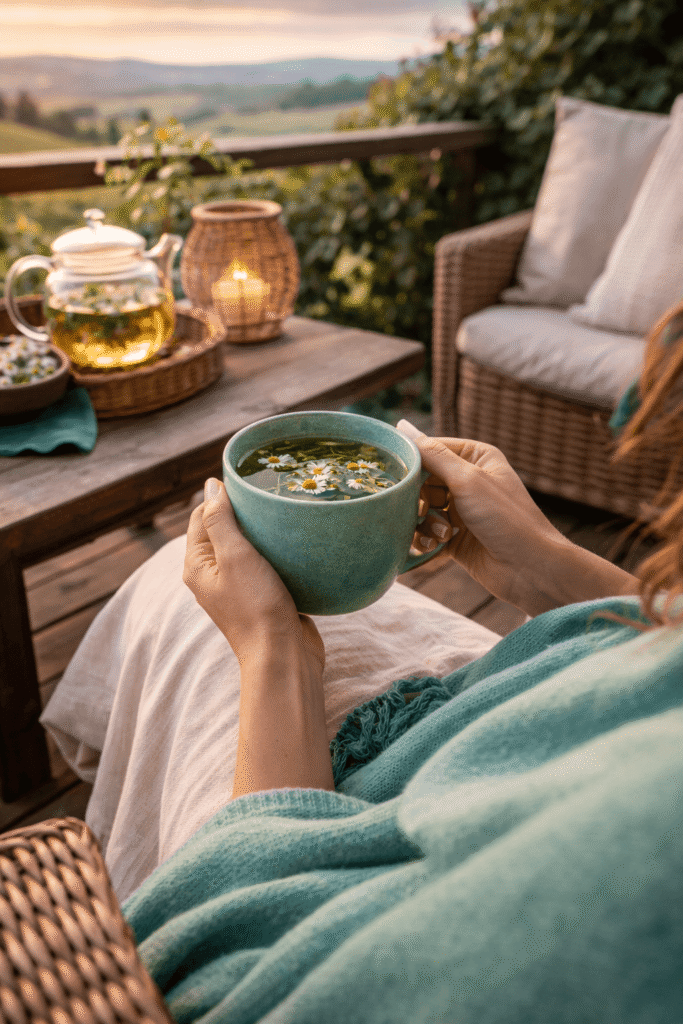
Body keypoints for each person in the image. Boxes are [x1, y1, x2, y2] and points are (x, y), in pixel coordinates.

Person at [41, 300, 683, 1023]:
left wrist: (275, 651)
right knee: (180, 584)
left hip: (322, 805)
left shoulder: (647, 844)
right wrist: (551, 571)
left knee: (178, 587)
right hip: (478, 702)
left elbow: (235, 963)